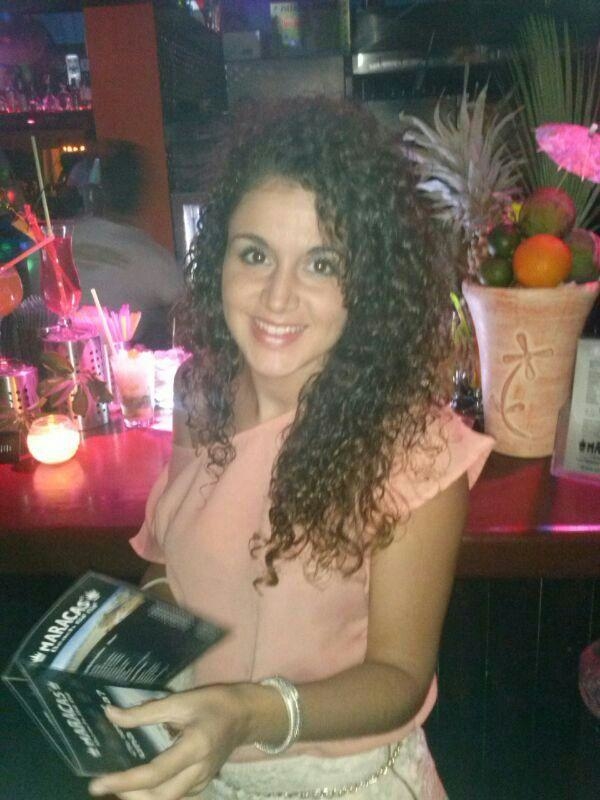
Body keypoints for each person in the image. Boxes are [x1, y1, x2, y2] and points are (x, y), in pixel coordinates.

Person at [88, 97, 494, 800]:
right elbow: (169, 569)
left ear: (368, 283)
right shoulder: (201, 394)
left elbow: (399, 679)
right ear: (219, 257)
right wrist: (139, 646)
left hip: (338, 782)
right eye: (255, 255)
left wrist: (248, 713)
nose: (277, 298)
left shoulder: (421, 454)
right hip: (196, 761)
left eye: (321, 264)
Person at [72, 139, 182, 349]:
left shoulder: (71, 235)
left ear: (102, 191)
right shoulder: (153, 259)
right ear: (142, 194)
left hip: (56, 359)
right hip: (116, 363)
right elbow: (190, 311)